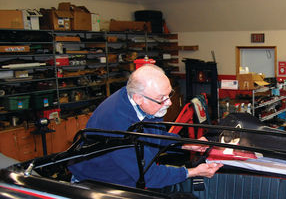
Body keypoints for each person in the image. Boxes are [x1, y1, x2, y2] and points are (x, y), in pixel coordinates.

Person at [69, 64, 222, 188]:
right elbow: (149, 176)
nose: (168, 103)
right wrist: (193, 172)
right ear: (138, 98)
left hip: (123, 180)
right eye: (161, 98)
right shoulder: (119, 126)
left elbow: (154, 136)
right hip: (96, 186)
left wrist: (186, 144)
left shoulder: (144, 102)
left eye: (169, 95)